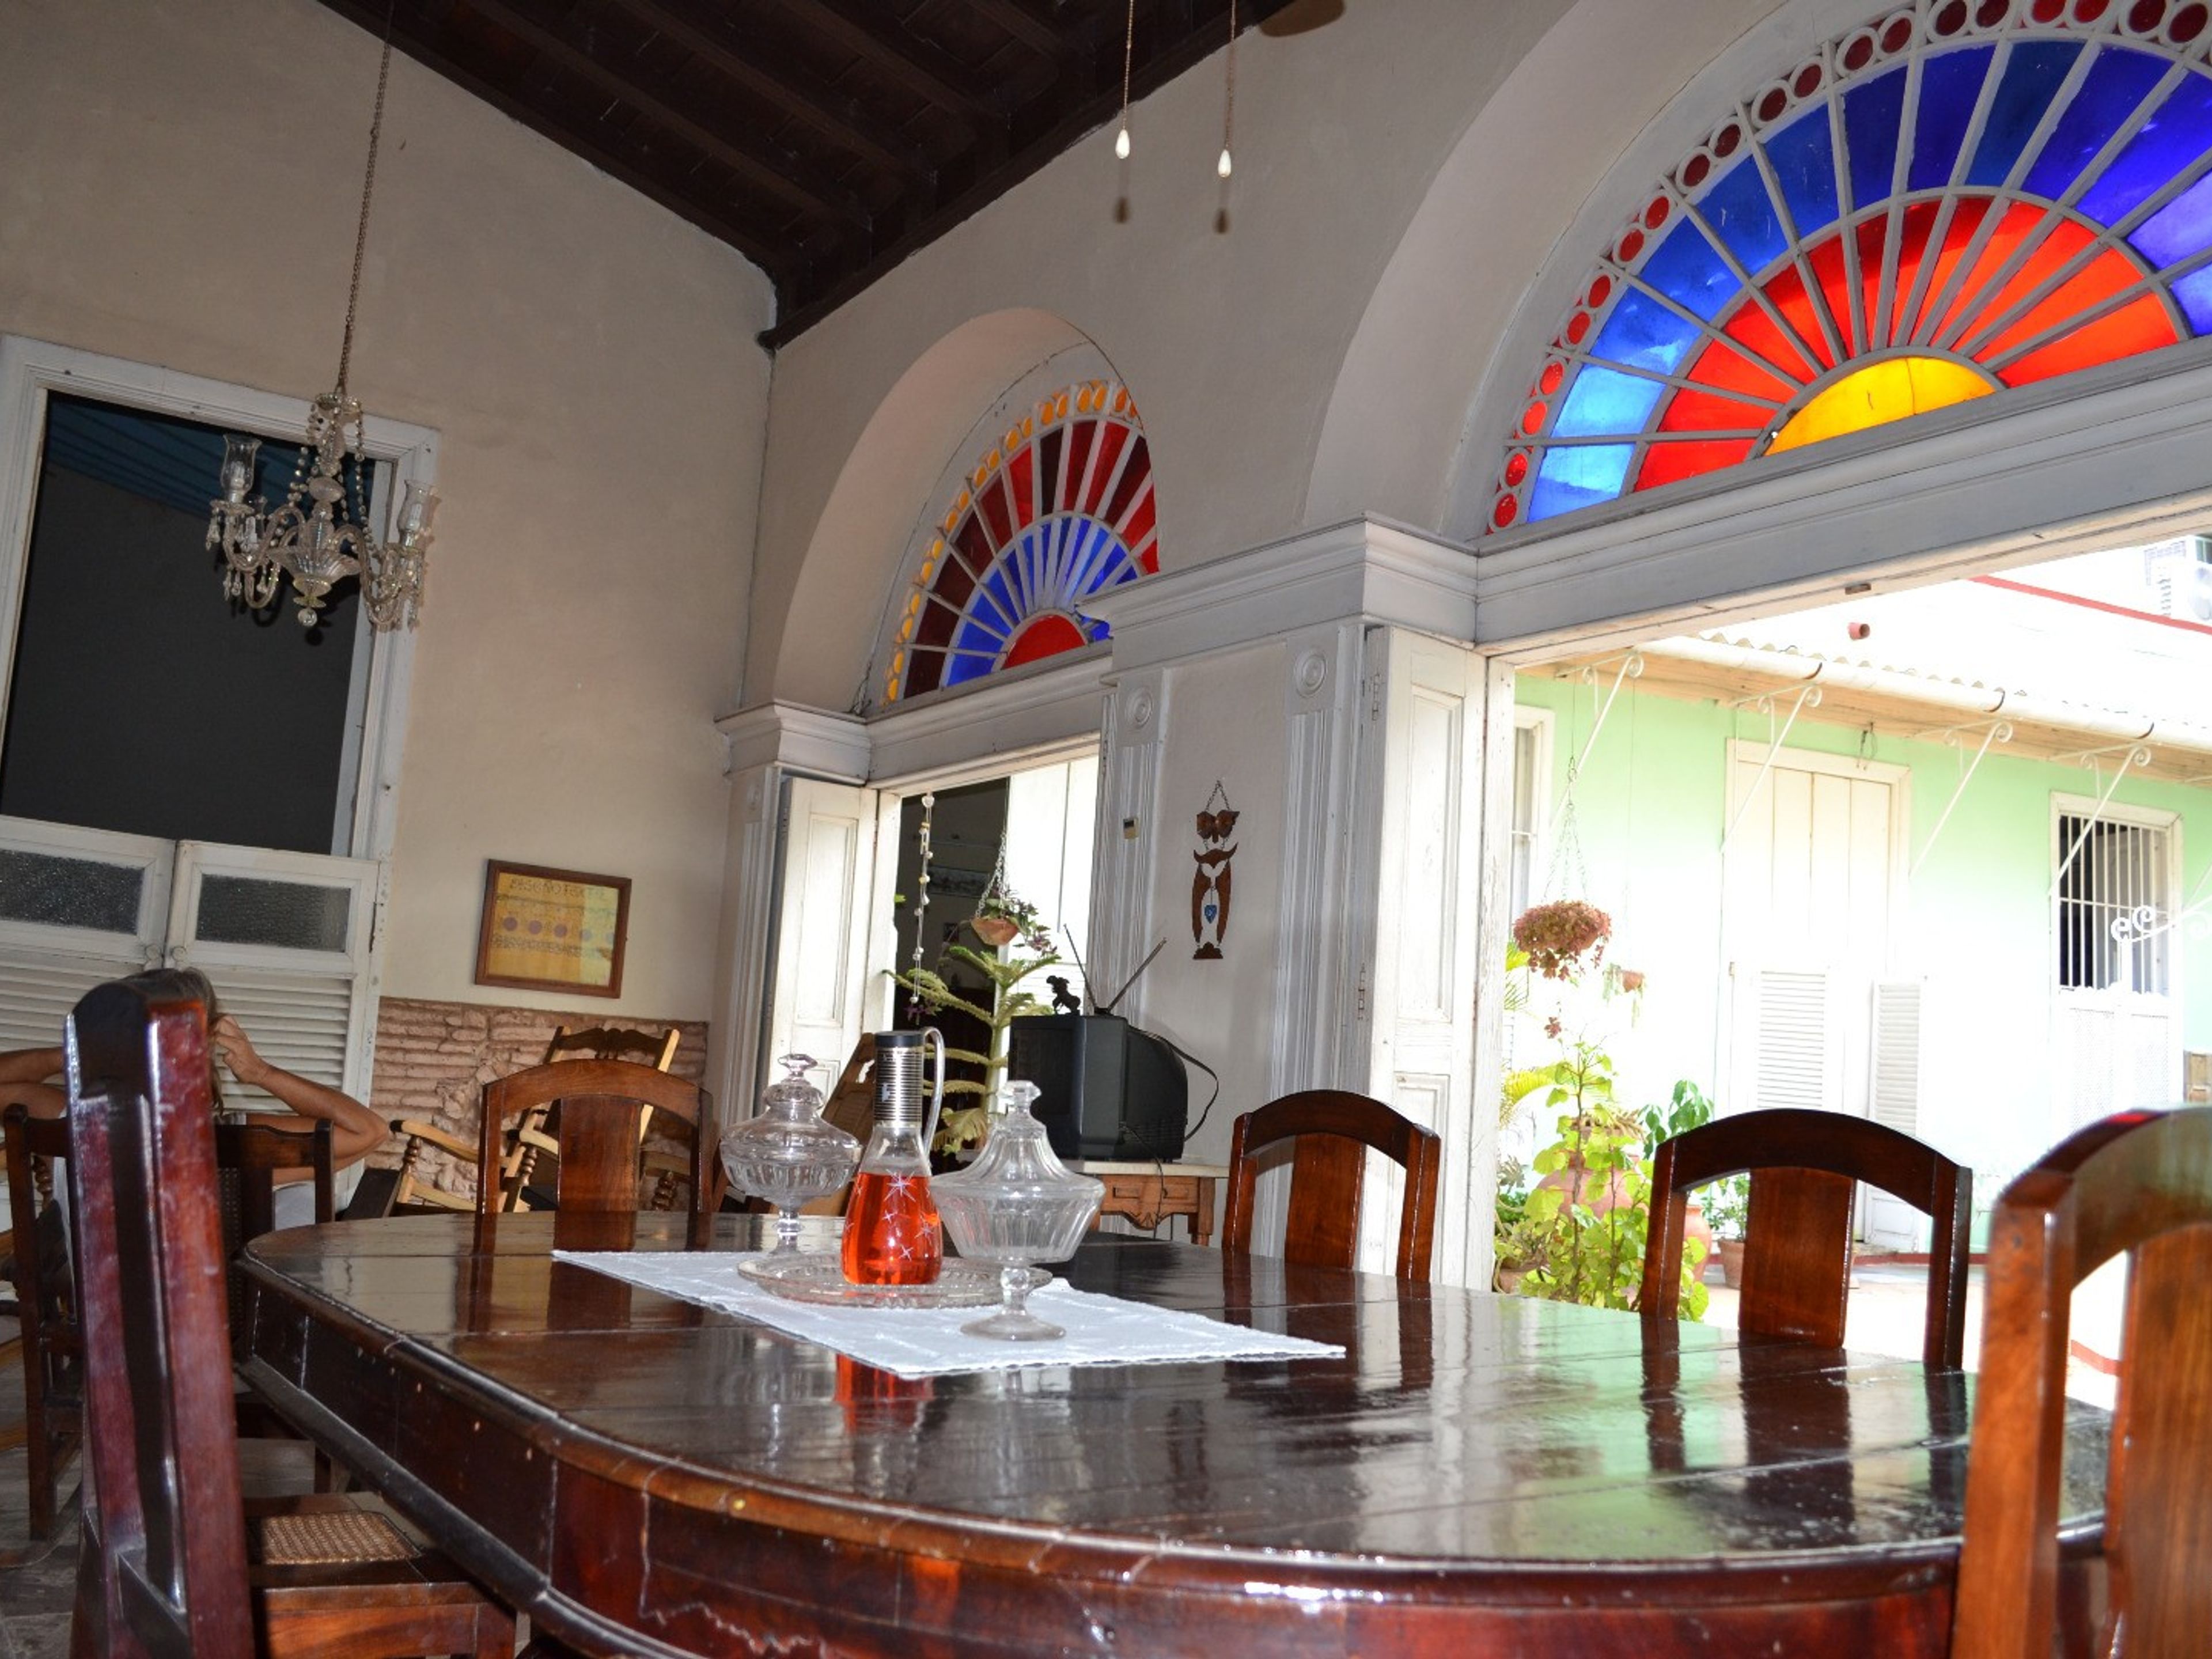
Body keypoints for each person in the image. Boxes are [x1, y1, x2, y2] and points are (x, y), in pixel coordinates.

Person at [0, 968, 385, 1229]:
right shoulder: (231, 1143)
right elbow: (368, 1132)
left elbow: (366, 1134)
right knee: (301, 1200)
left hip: (99, 1307)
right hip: (204, 1325)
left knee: (300, 1198)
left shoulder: (69, 1117)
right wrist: (261, 1073)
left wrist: (72, 1053)